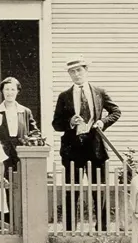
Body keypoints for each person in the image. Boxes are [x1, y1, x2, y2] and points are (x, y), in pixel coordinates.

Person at [52, 55, 121, 231]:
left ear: (86, 70)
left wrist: (103, 122)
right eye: (72, 72)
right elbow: (56, 124)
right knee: (71, 190)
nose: (76, 74)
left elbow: (116, 111)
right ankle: (69, 229)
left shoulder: (99, 92)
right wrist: (70, 123)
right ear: (69, 74)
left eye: (79, 70)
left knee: (99, 189)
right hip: (72, 149)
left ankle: (102, 228)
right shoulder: (64, 96)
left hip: (95, 147)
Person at [0, 76, 40, 174]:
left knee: (21, 178)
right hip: (2, 150)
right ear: (2, 91)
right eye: (7, 89)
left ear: (18, 91)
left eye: (13, 89)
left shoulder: (25, 111)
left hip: (21, 150)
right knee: (3, 178)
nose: (10, 92)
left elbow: (34, 131)